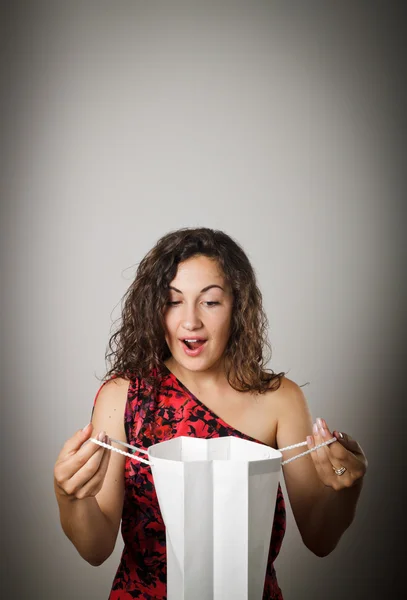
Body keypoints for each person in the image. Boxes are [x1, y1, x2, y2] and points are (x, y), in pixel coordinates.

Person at [54, 227, 367, 599]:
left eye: (210, 302)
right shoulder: (122, 396)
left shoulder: (280, 400)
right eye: (173, 301)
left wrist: (348, 487)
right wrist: (69, 497)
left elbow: (320, 539)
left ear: (237, 306)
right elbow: (95, 549)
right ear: (154, 308)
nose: (191, 322)